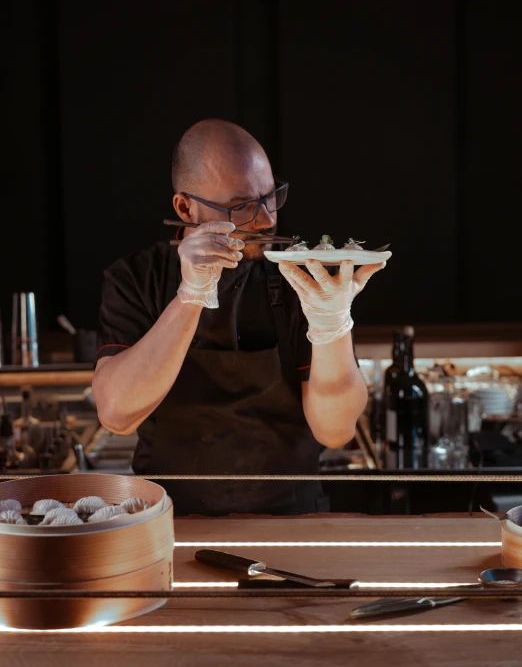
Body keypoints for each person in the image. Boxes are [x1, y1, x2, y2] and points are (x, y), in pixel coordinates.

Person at [92, 119, 386, 515]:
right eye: (243, 206)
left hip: (292, 522)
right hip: (172, 524)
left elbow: (334, 431)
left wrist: (332, 324)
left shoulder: (300, 277)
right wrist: (190, 296)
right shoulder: (135, 280)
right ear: (185, 207)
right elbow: (116, 415)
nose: (267, 220)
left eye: (271, 197)